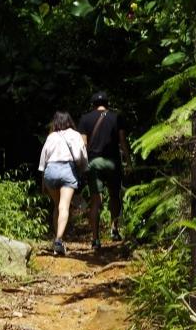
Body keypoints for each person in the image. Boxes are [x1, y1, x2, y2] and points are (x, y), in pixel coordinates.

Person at [77, 90, 130, 250]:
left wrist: (82, 165)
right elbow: (122, 141)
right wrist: (128, 161)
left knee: (96, 201)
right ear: (107, 103)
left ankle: (95, 239)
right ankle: (114, 230)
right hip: (113, 162)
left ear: (93, 104)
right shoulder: (116, 117)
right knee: (115, 196)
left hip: (94, 162)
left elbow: (83, 144)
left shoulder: (85, 119)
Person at [38, 111, 88, 256]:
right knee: (64, 206)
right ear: (69, 121)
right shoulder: (75, 135)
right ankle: (59, 240)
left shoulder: (51, 136)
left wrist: (43, 182)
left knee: (57, 206)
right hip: (67, 170)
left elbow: (43, 160)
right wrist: (82, 168)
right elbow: (81, 156)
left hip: (51, 171)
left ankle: (57, 241)